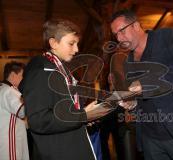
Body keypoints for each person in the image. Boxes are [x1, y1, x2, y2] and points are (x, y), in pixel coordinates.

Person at [110, 9, 173, 160]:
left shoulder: (166, 37)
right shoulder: (128, 62)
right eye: (116, 34)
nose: (119, 38)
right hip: (150, 139)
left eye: (121, 31)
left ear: (136, 25)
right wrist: (132, 102)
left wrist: (145, 84)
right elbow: (139, 96)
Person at [19, 19, 111, 160]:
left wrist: (86, 115)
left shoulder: (61, 71)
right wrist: (82, 116)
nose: (77, 49)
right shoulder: (40, 73)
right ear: (53, 43)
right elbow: (39, 121)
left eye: (77, 44)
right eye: (71, 43)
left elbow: (64, 111)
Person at [0, 61, 29, 160]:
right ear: (12, 75)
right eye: (22, 76)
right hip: (10, 143)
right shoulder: (10, 91)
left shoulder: (2, 89)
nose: (24, 79)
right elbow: (22, 111)